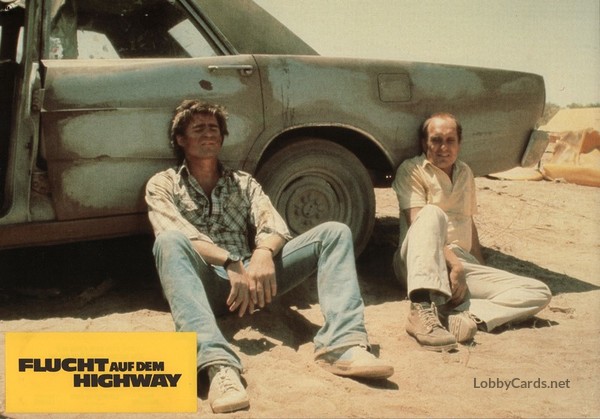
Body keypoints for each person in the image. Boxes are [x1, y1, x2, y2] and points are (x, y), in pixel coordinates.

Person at [145, 100, 393, 414]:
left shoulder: (242, 182)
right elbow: (175, 230)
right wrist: (229, 261)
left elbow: (273, 224)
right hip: (203, 286)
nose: (208, 134)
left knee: (335, 232)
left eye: (214, 128)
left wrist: (262, 254)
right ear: (181, 139)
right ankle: (218, 367)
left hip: (253, 282)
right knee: (168, 242)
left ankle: (341, 345)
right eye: (198, 128)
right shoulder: (163, 183)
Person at [392, 112, 552, 352]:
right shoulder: (412, 169)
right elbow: (416, 223)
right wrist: (455, 265)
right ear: (425, 143)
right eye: (436, 140)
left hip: (460, 264)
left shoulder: (465, 172)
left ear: (459, 144)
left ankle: (461, 316)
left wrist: (476, 267)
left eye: (450, 140)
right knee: (432, 214)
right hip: (419, 262)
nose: (443, 147)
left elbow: (469, 223)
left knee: (538, 291)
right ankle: (421, 309)